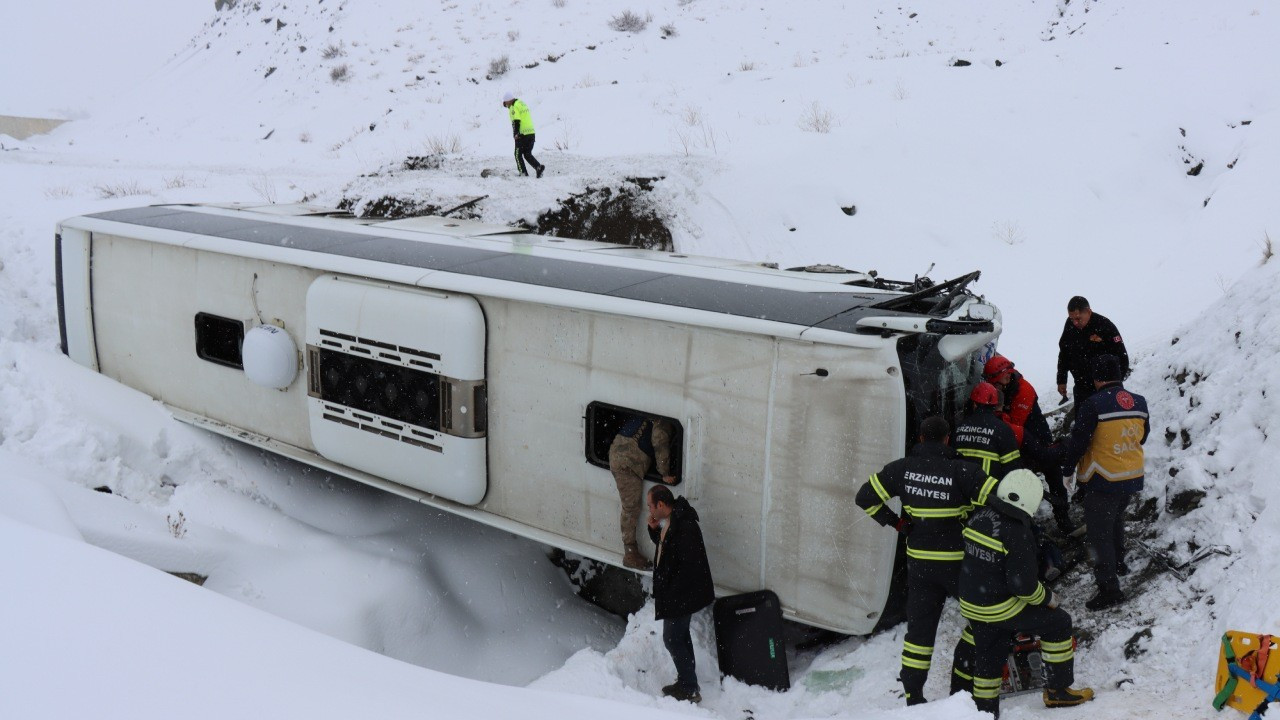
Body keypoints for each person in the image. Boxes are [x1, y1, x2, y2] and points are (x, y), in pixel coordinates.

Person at [855, 416, 998, 706]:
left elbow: (865, 497)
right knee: (986, 620)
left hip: (920, 565)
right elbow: (1000, 500)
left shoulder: (902, 469)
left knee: (919, 634)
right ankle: (967, 680)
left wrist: (897, 524)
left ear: (920, 438)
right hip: (959, 564)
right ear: (948, 439)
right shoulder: (963, 470)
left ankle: (913, 696)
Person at [959, 469, 1095, 718]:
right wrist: (1048, 598)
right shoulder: (1017, 532)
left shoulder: (981, 515)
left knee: (990, 654)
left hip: (972, 602)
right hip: (999, 606)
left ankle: (984, 712)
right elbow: (1023, 587)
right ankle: (1058, 691)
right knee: (1059, 623)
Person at [1059, 354, 1149, 610]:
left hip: (1103, 478)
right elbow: (1142, 438)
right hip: (1131, 476)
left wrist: (1068, 469)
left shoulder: (1093, 405)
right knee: (1116, 520)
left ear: (1097, 379)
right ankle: (1119, 561)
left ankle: (1109, 588)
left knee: (1099, 535)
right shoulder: (1140, 403)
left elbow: (1079, 441)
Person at [984, 355, 1075, 534]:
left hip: (1036, 438)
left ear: (1007, 375)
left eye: (996, 382)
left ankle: (1063, 520)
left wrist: (998, 416)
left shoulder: (1024, 390)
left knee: (1054, 475)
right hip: (1019, 439)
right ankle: (1021, 525)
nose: (995, 386)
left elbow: (1015, 424)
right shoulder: (1002, 387)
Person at [646, 485, 715, 704]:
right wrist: (655, 531)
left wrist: (672, 594)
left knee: (672, 639)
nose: (648, 509)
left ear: (661, 504)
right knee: (681, 637)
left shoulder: (684, 526)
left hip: (681, 595)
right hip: (679, 594)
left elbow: (688, 565)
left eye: (650, 505)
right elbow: (668, 551)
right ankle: (687, 681)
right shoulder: (674, 521)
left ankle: (689, 688)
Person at [610, 415, 676, 569]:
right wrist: (664, 473)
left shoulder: (654, 409)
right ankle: (630, 554)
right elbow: (659, 440)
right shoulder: (663, 416)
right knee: (631, 508)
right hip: (628, 461)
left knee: (630, 507)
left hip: (621, 452)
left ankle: (630, 551)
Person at [1056, 296, 1128, 411]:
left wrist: (1113, 386)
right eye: (1071, 318)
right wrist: (1061, 379)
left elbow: (1122, 358)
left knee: (1108, 423)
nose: (1075, 322)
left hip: (1104, 388)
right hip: (1081, 387)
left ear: (1088, 311)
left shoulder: (1105, 325)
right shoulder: (1070, 325)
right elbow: (1064, 352)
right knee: (1083, 423)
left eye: (1078, 318)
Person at [953, 382, 1022, 480]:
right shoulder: (1003, 429)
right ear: (995, 404)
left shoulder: (959, 428)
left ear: (974, 404)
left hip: (961, 489)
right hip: (989, 492)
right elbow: (1013, 469)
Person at [501, 91, 545, 178]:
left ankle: (523, 173)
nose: (505, 104)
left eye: (505, 102)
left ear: (509, 100)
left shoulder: (514, 106)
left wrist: (516, 134)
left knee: (517, 154)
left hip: (522, 134)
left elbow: (516, 121)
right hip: (531, 133)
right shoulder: (521, 103)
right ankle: (538, 167)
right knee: (527, 154)